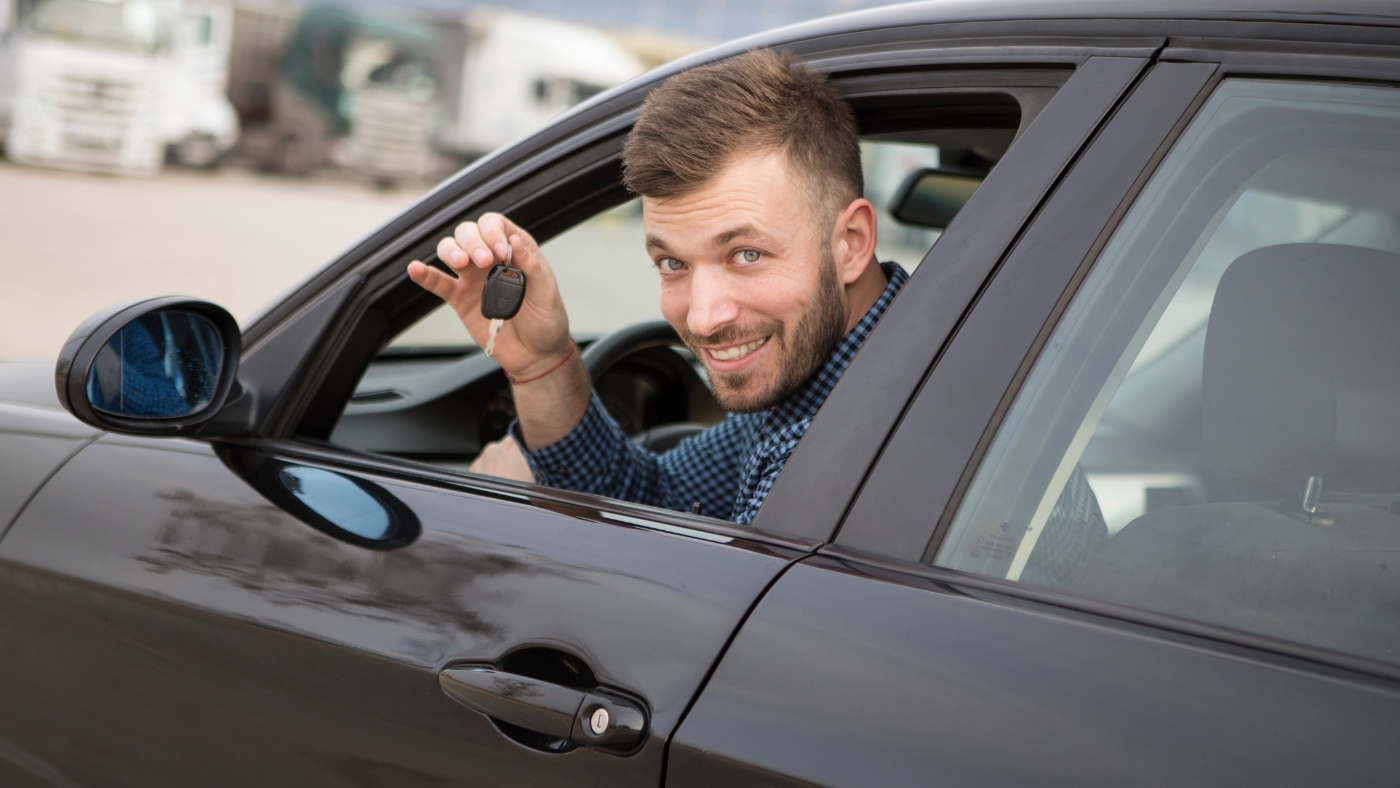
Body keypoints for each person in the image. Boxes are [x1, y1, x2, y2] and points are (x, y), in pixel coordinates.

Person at [407, 48, 908, 526]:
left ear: (851, 243)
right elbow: (656, 498)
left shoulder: (894, 439)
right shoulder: (820, 380)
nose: (702, 318)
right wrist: (542, 364)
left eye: (746, 255)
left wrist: (512, 523)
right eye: (672, 262)